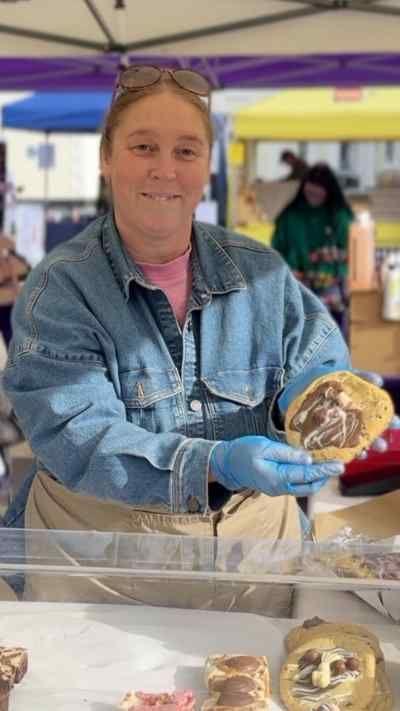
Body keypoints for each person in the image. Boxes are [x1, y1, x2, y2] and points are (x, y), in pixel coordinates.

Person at [0, 66, 387, 609]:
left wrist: (322, 394)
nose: (165, 170)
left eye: (186, 151)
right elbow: (78, 437)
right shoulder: (59, 289)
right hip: (100, 571)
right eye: (143, 146)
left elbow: (311, 359)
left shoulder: (261, 273)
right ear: (106, 159)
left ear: (206, 166)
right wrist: (213, 463)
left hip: (256, 562)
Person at [272, 163, 354, 332]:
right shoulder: (290, 216)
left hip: (330, 288)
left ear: (329, 191)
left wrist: (336, 270)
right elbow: (276, 249)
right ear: (303, 187)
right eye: (311, 189)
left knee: (330, 335)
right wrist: (285, 269)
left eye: (319, 190)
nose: (314, 194)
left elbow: (349, 252)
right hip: (296, 285)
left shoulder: (339, 216)